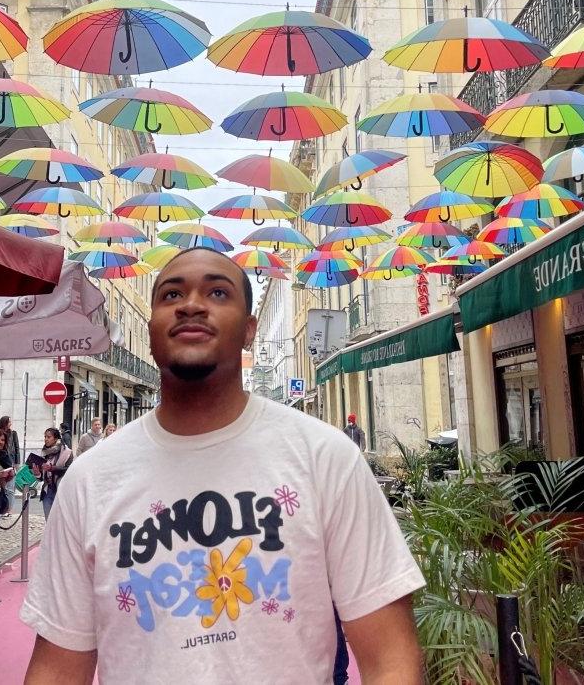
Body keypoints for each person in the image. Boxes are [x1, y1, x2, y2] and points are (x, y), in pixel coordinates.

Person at [22, 249, 424, 685]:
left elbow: (391, 658)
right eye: (171, 294)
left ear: (250, 331)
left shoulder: (325, 459)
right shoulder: (89, 481)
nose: (191, 304)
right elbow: (57, 668)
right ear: (151, 330)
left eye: (217, 292)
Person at [31, 428, 72, 521]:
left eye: (49, 437)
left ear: (56, 438)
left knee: (61, 522)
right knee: (49, 522)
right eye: (45, 437)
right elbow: (42, 477)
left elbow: (69, 470)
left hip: (61, 490)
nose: (46, 439)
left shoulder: (67, 452)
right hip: (47, 490)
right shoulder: (44, 452)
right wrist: (37, 474)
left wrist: (52, 468)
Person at [0, 414, 20, 513]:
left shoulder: (13, 433)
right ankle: (2, 507)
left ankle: (8, 509)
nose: (10, 424)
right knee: (2, 487)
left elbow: (17, 447)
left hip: (10, 461)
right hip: (0, 461)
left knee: (10, 488)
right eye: (9, 422)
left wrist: (17, 462)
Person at [0, 429, 15, 518]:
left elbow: (11, 473)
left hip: (2, 488)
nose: (0, 442)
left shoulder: (5, 455)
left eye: (2, 440)